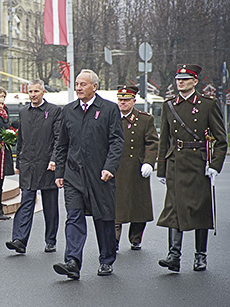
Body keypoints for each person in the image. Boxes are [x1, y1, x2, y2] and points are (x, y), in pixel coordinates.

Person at [52, 69, 124, 279]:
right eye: (76, 84)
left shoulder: (109, 109)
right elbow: (62, 144)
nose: (78, 88)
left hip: (100, 175)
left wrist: (110, 167)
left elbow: (117, 141)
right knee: (73, 217)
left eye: (83, 84)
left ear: (94, 86)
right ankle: (72, 261)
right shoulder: (68, 110)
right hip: (74, 175)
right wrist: (59, 171)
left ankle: (106, 259)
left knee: (104, 219)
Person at [157, 64, 227, 272]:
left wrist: (215, 165)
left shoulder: (207, 104)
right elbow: (164, 141)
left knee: (200, 210)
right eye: (179, 79)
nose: (181, 82)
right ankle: (174, 255)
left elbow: (221, 140)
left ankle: (200, 255)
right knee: (174, 209)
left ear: (195, 81)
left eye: (186, 79)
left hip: (198, 163)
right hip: (176, 162)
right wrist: (161, 169)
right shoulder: (169, 105)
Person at [5, 79, 61, 254]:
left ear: (43, 92)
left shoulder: (54, 111)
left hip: (47, 165)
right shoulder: (23, 112)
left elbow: (59, 139)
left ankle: (50, 240)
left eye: (36, 91)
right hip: (28, 164)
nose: (33, 95)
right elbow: (21, 139)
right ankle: (19, 240)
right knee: (26, 201)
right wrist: (19, 162)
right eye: (30, 92)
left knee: (50, 204)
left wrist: (55, 160)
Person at [115, 85, 158, 251]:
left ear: (134, 101)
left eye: (126, 100)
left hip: (137, 168)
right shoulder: (111, 118)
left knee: (138, 205)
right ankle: (114, 240)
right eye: (120, 100)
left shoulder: (145, 119)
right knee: (116, 205)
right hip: (116, 168)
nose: (123, 103)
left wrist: (149, 162)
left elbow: (152, 142)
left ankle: (135, 237)